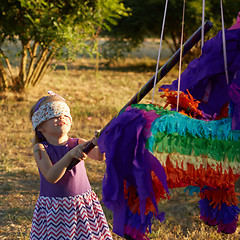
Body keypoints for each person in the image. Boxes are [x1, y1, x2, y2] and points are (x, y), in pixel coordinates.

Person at [29, 91, 112, 240]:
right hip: (54, 211)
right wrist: (70, 155)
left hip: (81, 206)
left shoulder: (78, 143)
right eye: (53, 114)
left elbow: (100, 156)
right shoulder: (40, 149)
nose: (61, 117)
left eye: (64, 113)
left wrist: (102, 141)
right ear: (40, 126)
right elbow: (51, 176)